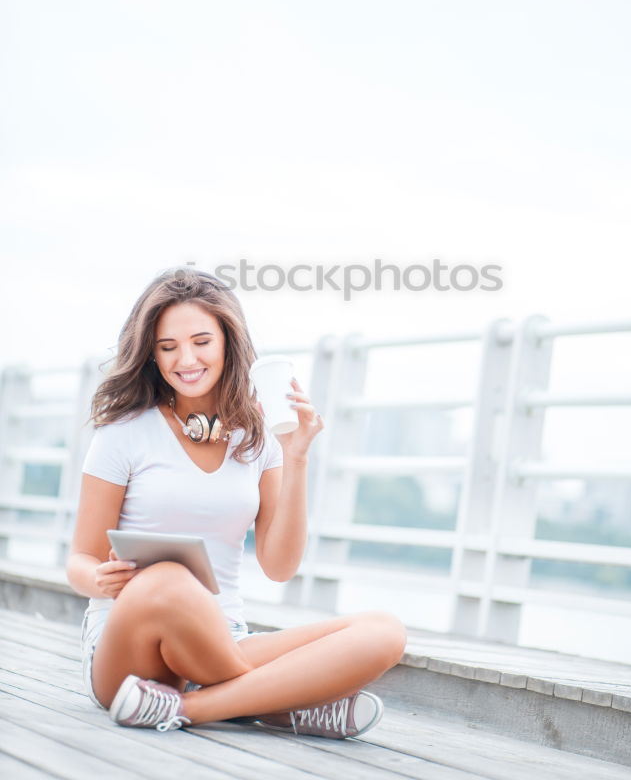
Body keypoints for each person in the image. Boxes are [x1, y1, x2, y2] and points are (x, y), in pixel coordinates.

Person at [66, 267, 407, 737]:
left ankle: (192, 708)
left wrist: (296, 456)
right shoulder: (123, 433)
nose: (186, 359)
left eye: (201, 341)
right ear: (151, 354)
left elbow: (280, 566)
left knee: (385, 632)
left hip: (225, 643)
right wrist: (99, 579)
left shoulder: (260, 440)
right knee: (167, 578)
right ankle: (281, 706)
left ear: (229, 341)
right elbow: (79, 560)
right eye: (168, 347)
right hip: (130, 651)